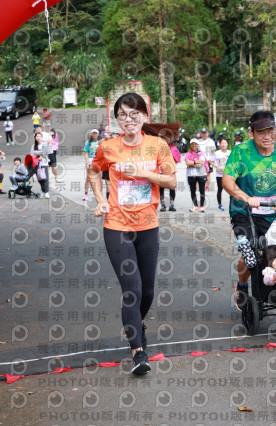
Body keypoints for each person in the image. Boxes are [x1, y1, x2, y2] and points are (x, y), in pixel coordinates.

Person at [89, 92, 177, 375]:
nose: (128, 119)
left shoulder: (157, 145)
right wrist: (100, 200)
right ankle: (138, 351)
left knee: (147, 291)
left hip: (148, 225)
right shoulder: (107, 146)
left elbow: (172, 181)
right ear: (116, 119)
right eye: (122, 115)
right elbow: (94, 171)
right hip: (117, 226)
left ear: (144, 116)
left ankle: (136, 326)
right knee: (133, 289)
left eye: (134, 113)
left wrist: (143, 173)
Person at [222, 110, 276, 307]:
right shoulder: (241, 152)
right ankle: (242, 286)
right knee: (250, 255)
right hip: (243, 212)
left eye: (270, 131)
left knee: (275, 254)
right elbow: (227, 181)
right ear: (251, 133)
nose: (267, 136)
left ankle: (270, 288)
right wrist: (246, 198)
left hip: (270, 213)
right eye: (261, 132)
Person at [185, 139, 208, 213]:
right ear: (190, 145)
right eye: (192, 144)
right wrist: (196, 162)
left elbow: (200, 164)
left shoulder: (201, 153)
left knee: (202, 190)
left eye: (195, 144)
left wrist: (192, 163)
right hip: (191, 174)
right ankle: (195, 205)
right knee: (192, 190)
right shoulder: (188, 154)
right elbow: (187, 163)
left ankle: (202, 206)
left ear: (198, 145)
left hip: (201, 174)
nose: (194, 145)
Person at [159, 140, 181, 212]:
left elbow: (177, 159)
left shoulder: (174, 148)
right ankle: (163, 205)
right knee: (161, 189)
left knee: (172, 187)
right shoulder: (158, 147)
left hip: (170, 171)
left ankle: (172, 205)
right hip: (160, 171)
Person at [82, 129, 101, 201]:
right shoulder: (88, 143)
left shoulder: (100, 142)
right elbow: (86, 153)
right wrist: (87, 163)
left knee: (99, 178)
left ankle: (98, 194)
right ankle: (86, 194)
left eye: (96, 133)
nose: (94, 135)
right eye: (93, 133)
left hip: (98, 161)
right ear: (91, 134)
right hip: (90, 160)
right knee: (88, 178)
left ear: (98, 134)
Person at [31, 132, 50, 198]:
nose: (38, 137)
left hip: (44, 163)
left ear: (42, 137)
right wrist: (39, 153)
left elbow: (44, 154)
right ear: (35, 138)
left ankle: (46, 192)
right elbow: (32, 154)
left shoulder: (45, 145)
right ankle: (43, 192)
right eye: (37, 136)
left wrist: (36, 153)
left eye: (40, 136)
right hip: (37, 164)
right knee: (40, 178)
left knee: (45, 178)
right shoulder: (33, 146)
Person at [214, 138, 231, 211]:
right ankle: (220, 204)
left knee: (230, 189)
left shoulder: (230, 152)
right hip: (219, 174)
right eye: (222, 143)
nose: (223, 144)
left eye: (225, 143)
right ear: (220, 144)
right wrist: (217, 167)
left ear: (227, 144)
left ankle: (232, 204)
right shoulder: (217, 153)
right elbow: (211, 161)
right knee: (220, 189)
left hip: (228, 174)